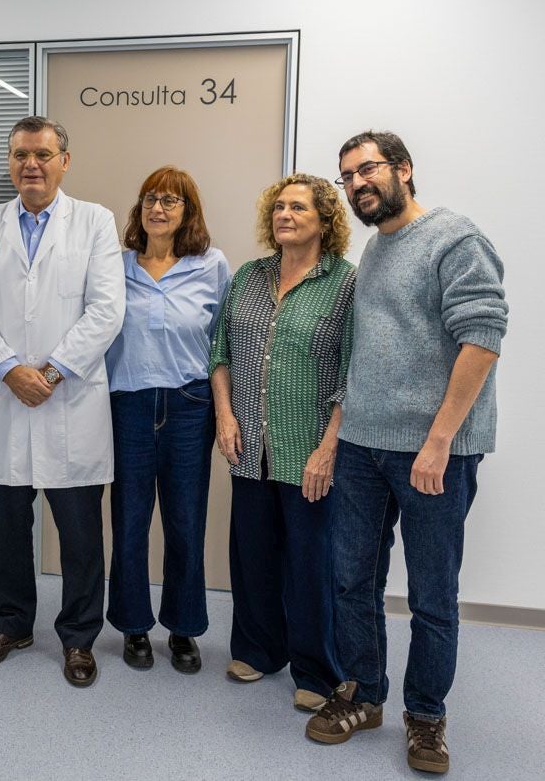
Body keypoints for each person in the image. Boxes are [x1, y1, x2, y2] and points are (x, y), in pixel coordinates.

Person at [304, 131, 507, 776]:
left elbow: (483, 336)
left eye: (368, 169)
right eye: (348, 177)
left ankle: (426, 716)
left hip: (432, 454)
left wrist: (440, 440)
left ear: (405, 170)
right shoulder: (375, 252)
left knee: (431, 593)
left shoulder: (455, 238)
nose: (359, 183)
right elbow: (363, 358)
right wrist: (335, 439)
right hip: (363, 448)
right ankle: (364, 695)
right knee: (351, 579)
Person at [0, 115, 125, 688]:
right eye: (21, 155)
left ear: (64, 161)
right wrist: (8, 370)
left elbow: (106, 310)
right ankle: (12, 623)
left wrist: (47, 372)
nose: (32, 164)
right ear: (10, 163)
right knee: (7, 528)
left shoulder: (95, 222)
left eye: (43, 155)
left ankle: (78, 638)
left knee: (79, 534)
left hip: (68, 397)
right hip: (5, 398)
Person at [209, 173, 355, 712]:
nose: (284, 215)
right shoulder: (249, 276)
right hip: (248, 448)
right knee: (252, 556)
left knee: (311, 566)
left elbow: (350, 372)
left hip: (309, 451)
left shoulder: (344, 283)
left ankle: (317, 670)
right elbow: (219, 350)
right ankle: (257, 649)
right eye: (278, 207)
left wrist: (329, 448)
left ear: (324, 220)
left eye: (297, 207)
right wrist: (225, 416)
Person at [104, 166, 230, 675]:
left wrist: (225, 411)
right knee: (130, 521)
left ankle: (182, 629)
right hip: (129, 405)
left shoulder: (212, 264)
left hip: (188, 407)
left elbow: (223, 341)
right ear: (139, 208)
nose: (158, 208)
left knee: (185, 522)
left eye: (171, 201)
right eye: (150, 199)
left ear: (187, 212)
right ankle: (134, 626)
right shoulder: (116, 265)